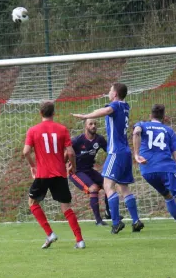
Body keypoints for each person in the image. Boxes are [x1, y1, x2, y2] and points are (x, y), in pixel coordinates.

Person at [72, 82, 144, 234]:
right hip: (125, 152)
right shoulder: (126, 106)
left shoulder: (116, 105)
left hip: (116, 152)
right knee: (124, 187)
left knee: (107, 186)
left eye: (110, 90)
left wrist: (85, 116)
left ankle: (116, 222)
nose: (109, 92)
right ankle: (136, 220)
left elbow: (105, 110)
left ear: (115, 94)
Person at [132, 104, 176, 236]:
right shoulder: (169, 131)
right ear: (163, 117)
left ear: (150, 116)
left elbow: (136, 132)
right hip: (166, 168)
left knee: (167, 196)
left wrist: (136, 155)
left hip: (147, 170)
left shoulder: (143, 124)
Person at [23, 101, 85, 249]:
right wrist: (73, 168)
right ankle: (79, 240)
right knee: (66, 207)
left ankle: (50, 234)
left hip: (43, 174)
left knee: (32, 203)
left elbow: (25, 152)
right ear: (53, 113)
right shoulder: (62, 129)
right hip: (59, 174)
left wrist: (33, 166)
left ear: (40, 113)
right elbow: (70, 152)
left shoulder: (33, 130)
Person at [68, 118, 113, 225]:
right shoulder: (77, 140)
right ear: (86, 126)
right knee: (94, 188)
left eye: (95, 124)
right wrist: (66, 164)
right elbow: (66, 151)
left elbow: (110, 152)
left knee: (108, 185)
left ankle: (109, 213)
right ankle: (98, 220)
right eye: (90, 124)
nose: (93, 126)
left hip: (89, 170)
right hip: (76, 172)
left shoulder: (99, 139)